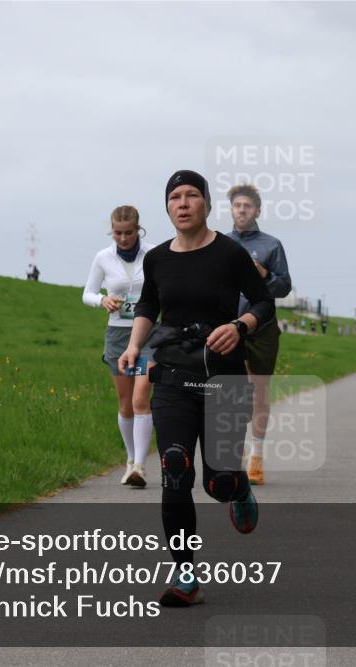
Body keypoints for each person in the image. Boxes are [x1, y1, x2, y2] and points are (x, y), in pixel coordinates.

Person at [119, 170, 274, 607]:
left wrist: (240, 325)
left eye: (191, 195)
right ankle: (186, 575)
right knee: (174, 469)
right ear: (167, 207)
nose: (183, 203)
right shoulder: (157, 259)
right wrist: (134, 345)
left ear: (206, 203)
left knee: (217, 483)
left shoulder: (229, 253)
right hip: (172, 375)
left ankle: (237, 486)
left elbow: (264, 301)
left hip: (223, 376)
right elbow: (150, 303)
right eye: (174, 197)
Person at [82, 206, 155, 488]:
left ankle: (140, 466)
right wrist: (102, 300)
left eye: (129, 232)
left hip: (148, 333)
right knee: (125, 404)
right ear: (111, 231)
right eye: (118, 233)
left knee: (140, 399)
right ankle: (130, 459)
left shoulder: (154, 254)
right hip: (118, 335)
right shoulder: (103, 257)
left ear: (139, 230)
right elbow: (87, 292)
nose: (123, 238)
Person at [226, 183, 293, 486]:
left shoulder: (272, 245)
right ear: (231, 209)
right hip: (230, 326)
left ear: (257, 211)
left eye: (247, 206)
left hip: (263, 328)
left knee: (258, 395)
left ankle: (256, 458)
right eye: (238, 206)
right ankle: (234, 456)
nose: (242, 210)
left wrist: (263, 273)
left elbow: (284, 286)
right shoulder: (220, 244)